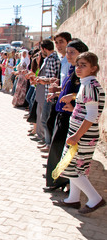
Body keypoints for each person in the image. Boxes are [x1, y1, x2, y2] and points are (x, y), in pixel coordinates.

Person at [54, 52, 106, 214]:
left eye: (84, 65)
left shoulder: (90, 85)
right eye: (78, 65)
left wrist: (77, 136)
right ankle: (73, 199)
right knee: (76, 168)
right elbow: (86, 108)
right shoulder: (87, 83)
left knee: (72, 168)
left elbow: (91, 115)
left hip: (83, 135)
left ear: (93, 68)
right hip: (81, 133)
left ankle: (95, 199)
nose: (79, 68)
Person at [43, 39, 88, 193]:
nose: (68, 55)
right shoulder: (72, 70)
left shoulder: (83, 73)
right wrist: (57, 92)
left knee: (62, 150)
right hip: (63, 112)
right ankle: (58, 181)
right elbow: (69, 89)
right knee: (57, 148)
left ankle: (63, 182)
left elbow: (85, 93)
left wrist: (73, 102)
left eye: (72, 52)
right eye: (67, 52)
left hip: (71, 116)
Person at [36, 40, 61, 155]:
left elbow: (53, 78)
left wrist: (42, 80)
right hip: (48, 94)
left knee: (46, 120)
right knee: (45, 119)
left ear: (44, 49)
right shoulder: (51, 59)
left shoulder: (52, 59)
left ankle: (49, 144)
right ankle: (47, 142)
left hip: (50, 95)